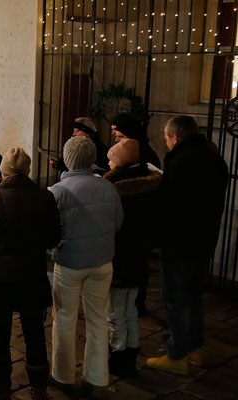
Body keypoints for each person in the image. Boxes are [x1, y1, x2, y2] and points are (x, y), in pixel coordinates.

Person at [0, 147, 61, 400]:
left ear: (4, 170)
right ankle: (38, 389)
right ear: (27, 170)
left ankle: (2, 390)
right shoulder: (45, 198)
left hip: (0, 279)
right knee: (34, 331)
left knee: (0, 333)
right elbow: (54, 236)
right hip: (32, 276)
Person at [146, 116, 228, 375]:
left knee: (176, 299)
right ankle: (195, 349)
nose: (167, 143)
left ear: (176, 138)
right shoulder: (215, 159)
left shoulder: (180, 162)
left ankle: (177, 354)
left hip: (180, 242)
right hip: (204, 240)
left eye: (167, 138)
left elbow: (169, 207)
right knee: (193, 296)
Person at [49, 136, 123, 394]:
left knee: (64, 318)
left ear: (67, 159)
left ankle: (63, 376)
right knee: (98, 319)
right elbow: (118, 223)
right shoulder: (108, 187)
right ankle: (97, 378)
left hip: (69, 263)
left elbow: (50, 231)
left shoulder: (57, 192)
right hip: (102, 262)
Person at [101, 139, 161, 378]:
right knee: (130, 310)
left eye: (112, 159)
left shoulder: (118, 188)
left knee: (115, 313)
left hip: (120, 257)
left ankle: (118, 358)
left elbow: (112, 225)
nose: (109, 163)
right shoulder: (150, 182)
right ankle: (130, 355)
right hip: (138, 257)